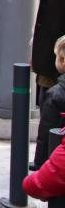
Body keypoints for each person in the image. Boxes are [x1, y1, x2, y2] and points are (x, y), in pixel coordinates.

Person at [30, 35, 65, 171]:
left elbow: (45, 133)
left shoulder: (55, 95)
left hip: (57, 165)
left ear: (62, 61)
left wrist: (40, 162)